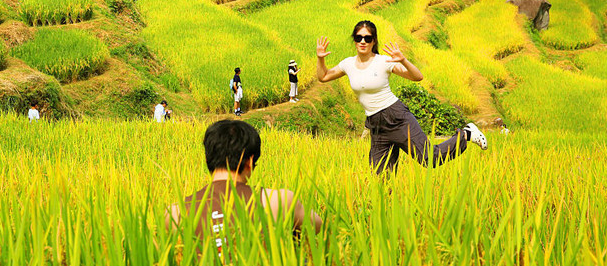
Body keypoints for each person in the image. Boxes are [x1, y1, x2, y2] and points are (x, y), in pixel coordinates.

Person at [316, 20, 488, 174]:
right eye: (359, 37)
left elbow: (416, 76)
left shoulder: (383, 61)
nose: (363, 41)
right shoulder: (347, 64)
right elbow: (323, 77)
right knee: (381, 177)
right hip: (376, 125)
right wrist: (320, 59)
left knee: (429, 159)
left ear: (373, 41)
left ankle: (466, 134)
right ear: (354, 39)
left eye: (367, 38)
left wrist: (404, 60)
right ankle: (388, 209)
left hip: (396, 117)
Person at [166, 120, 322, 261]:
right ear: (250, 161)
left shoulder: (175, 212)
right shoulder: (278, 200)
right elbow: (319, 227)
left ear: (207, 159)